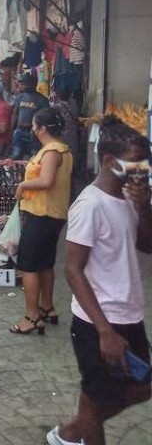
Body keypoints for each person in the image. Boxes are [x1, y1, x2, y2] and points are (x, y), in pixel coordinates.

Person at [48, 116, 152, 445]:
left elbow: (146, 245)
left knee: (141, 386)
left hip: (129, 315)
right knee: (96, 401)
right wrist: (104, 331)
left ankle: (69, 433)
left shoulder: (129, 198)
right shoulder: (89, 205)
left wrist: (145, 206)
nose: (143, 170)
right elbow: (72, 269)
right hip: (98, 322)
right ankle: (73, 433)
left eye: (145, 163)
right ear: (109, 161)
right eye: (136, 163)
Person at [9, 108, 72, 336]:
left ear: (43, 128)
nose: (33, 129)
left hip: (41, 214)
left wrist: (23, 186)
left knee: (28, 266)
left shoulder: (52, 152)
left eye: (35, 126)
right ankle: (48, 307)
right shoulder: (60, 150)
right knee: (45, 263)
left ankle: (32, 317)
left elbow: (46, 181)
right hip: (51, 215)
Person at [11, 73, 49, 160]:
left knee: (34, 156)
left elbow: (44, 118)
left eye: (24, 84)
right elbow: (15, 113)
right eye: (21, 84)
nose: (21, 86)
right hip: (20, 131)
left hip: (34, 132)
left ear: (32, 84)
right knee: (16, 155)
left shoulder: (42, 100)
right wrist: (12, 127)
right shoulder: (20, 97)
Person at [52, 88, 81, 173]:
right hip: (73, 133)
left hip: (61, 134)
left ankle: (63, 169)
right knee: (73, 151)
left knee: (62, 151)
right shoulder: (74, 106)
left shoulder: (55, 107)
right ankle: (72, 169)